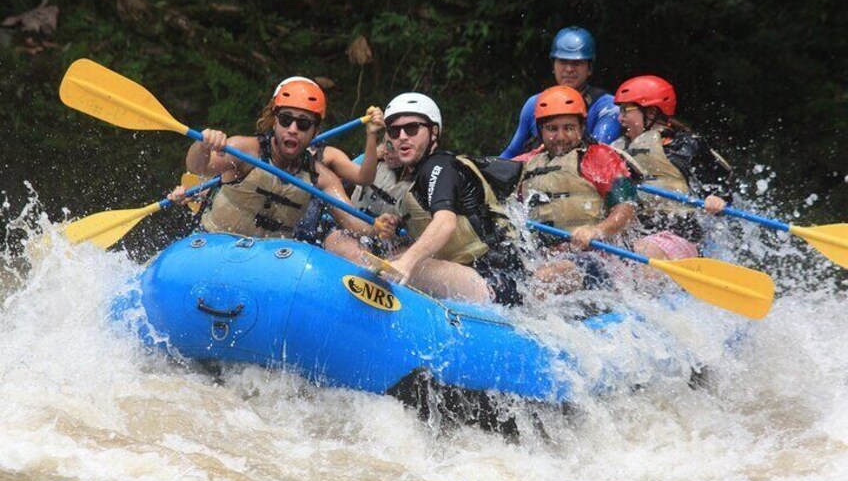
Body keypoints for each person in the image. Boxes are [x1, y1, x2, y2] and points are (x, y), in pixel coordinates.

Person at [332, 92, 526, 306]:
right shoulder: (419, 176)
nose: (403, 137)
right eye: (394, 132)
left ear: (434, 132)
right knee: (382, 255)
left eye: (412, 129)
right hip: (483, 275)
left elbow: (445, 222)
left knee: (392, 266)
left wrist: (406, 263)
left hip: (495, 281)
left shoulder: (439, 166)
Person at [169, 77, 387, 241]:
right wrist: (203, 144)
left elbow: (351, 221)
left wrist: (376, 228)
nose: (293, 129)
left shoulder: (321, 177)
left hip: (267, 263)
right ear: (274, 122)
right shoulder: (245, 150)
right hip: (213, 242)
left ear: (315, 131)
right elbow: (198, 167)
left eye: (303, 124)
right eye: (286, 120)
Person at [517, 85, 638, 292]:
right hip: (543, 257)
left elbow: (626, 206)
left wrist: (597, 230)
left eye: (569, 128)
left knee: (542, 279)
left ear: (581, 128)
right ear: (540, 130)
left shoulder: (597, 157)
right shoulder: (527, 163)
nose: (561, 137)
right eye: (552, 129)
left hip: (594, 260)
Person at [611, 75, 734, 260]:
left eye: (625, 110)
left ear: (651, 112)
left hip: (680, 233)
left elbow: (720, 184)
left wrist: (717, 198)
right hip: (639, 233)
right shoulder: (619, 149)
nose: (620, 118)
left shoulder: (685, 146)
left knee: (641, 252)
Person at [499, 26, 620, 160]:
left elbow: (599, 155)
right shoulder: (534, 104)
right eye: (563, 61)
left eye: (577, 63)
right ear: (553, 66)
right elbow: (510, 154)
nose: (569, 69)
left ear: (589, 68)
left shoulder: (608, 107)